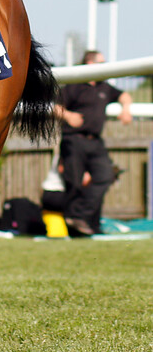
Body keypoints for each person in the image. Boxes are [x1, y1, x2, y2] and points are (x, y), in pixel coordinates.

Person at [54, 50, 132, 236]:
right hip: (74, 140)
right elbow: (56, 106)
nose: (105, 66)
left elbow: (124, 95)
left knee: (105, 176)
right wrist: (69, 115)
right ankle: (77, 227)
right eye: (101, 62)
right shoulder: (73, 87)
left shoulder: (104, 87)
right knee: (74, 183)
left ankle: (81, 217)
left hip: (95, 141)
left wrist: (126, 109)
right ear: (89, 63)